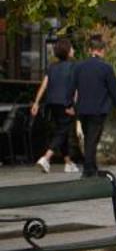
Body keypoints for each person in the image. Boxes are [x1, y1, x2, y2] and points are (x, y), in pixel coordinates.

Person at [65, 34, 116, 176]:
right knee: (92, 139)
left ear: (90, 49)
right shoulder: (106, 68)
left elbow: (71, 87)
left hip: (82, 109)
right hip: (99, 109)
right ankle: (88, 169)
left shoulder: (78, 66)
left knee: (89, 138)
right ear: (102, 50)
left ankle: (92, 167)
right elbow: (113, 89)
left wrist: (69, 104)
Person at [30, 38, 80, 173]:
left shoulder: (52, 66)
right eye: (72, 48)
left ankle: (68, 163)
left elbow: (44, 85)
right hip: (66, 103)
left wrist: (36, 102)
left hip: (52, 103)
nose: (74, 50)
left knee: (61, 131)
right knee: (63, 131)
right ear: (68, 51)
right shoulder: (74, 66)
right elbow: (76, 88)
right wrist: (74, 106)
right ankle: (46, 157)